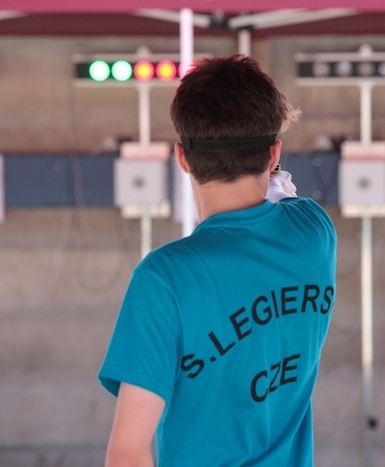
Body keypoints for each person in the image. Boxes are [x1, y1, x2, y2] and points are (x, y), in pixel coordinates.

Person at [98, 55, 337, 467]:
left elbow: (128, 452)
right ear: (273, 153)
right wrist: (268, 168)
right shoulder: (313, 232)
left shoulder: (166, 278)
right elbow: (281, 193)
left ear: (182, 157)